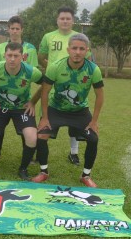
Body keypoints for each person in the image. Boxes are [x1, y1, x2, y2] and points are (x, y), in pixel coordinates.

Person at [33, 33, 104, 187]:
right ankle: (44, 172)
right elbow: (45, 92)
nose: (77, 52)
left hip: (80, 111)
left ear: (87, 51)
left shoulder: (93, 70)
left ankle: (86, 175)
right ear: (68, 49)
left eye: (81, 49)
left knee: (93, 138)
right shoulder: (55, 67)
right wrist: (44, 117)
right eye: (74, 48)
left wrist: (94, 121)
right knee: (41, 135)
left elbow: (99, 96)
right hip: (56, 109)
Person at [0, 42, 43, 178]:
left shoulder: (31, 71)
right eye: (9, 55)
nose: (12, 59)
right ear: (4, 55)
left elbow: (45, 85)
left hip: (21, 109)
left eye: (16, 56)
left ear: (22, 57)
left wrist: (32, 102)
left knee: (31, 137)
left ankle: (23, 169)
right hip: (0, 107)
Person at [38, 6, 88, 166]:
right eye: (62, 18)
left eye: (68, 18)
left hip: (74, 82)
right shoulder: (48, 37)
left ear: (73, 20)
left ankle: (74, 153)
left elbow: (87, 59)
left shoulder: (80, 37)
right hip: (53, 81)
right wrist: (52, 68)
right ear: (57, 20)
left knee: (74, 113)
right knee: (45, 113)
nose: (65, 21)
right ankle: (39, 153)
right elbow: (41, 57)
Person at [0, 15, 39, 160]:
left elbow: (33, 70)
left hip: (22, 94)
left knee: (26, 127)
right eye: (12, 28)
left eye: (17, 28)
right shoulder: (0, 48)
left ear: (22, 30)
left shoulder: (30, 48)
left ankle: (28, 155)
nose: (15, 31)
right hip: (2, 94)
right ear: (8, 30)